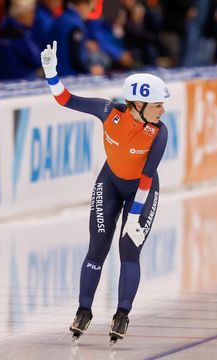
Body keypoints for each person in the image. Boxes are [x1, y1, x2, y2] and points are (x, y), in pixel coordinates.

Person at [40, 41, 169, 343]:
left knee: (129, 250)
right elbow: (66, 100)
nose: (163, 110)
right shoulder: (108, 111)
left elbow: (147, 178)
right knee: (97, 248)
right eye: (158, 105)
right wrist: (51, 73)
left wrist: (135, 216)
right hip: (109, 182)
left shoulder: (159, 132)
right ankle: (83, 310)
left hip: (142, 189)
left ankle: (122, 315)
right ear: (138, 104)